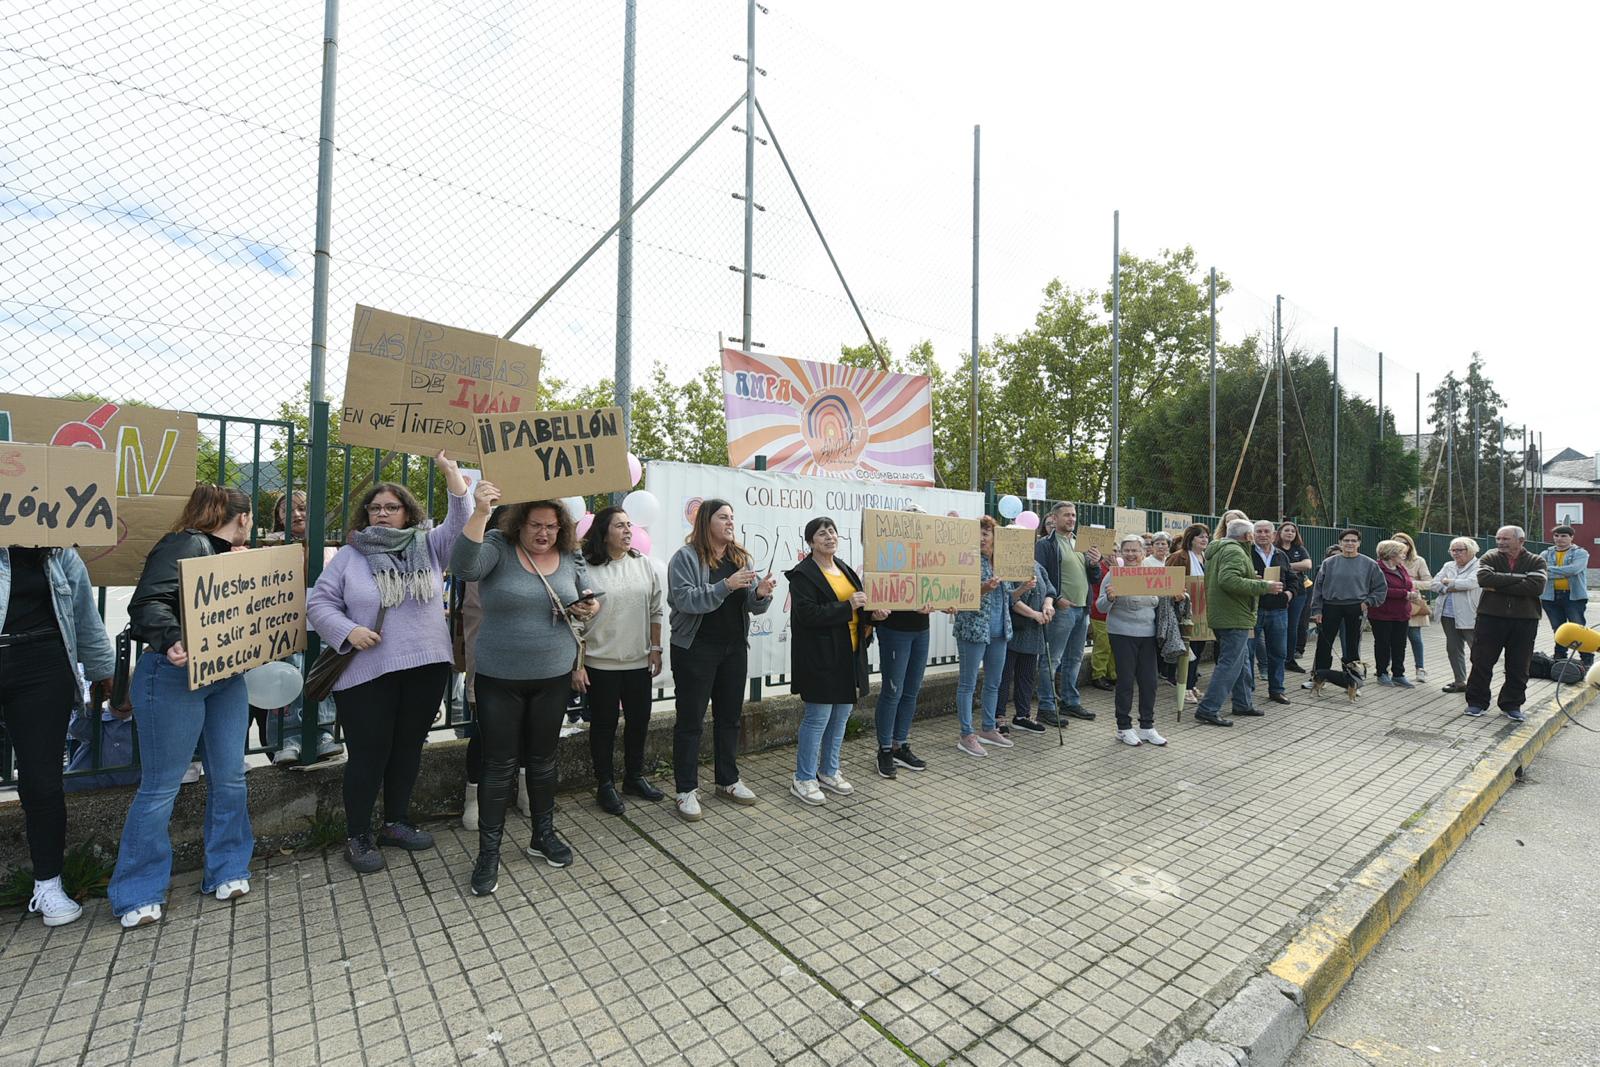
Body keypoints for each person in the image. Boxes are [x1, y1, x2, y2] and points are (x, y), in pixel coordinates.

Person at [307, 453, 472, 875]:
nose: (381, 513)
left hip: (425, 666)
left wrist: (452, 474)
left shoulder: (431, 546)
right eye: (375, 508)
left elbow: (461, 519)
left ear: (407, 512)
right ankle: (358, 834)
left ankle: (396, 822)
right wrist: (348, 632)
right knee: (368, 754)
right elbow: (319, 602)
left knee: (407, 750)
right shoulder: (350, 556)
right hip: (368, 673)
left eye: (390, 507)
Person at [110, 485, 257, 929]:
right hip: (176, 676)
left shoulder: (227, 552)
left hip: (225, 675)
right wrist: (172, 638)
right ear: (244, 517)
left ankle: (228, 869)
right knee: (161, 787)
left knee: (230, 777)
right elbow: (147, 603)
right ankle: (138, 890)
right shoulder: (186, 544)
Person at [450, 494, 599, 895]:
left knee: (543, 761)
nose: (544, 533)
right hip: (500, 677)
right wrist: (480, 511)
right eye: (536, 525)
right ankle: (488, 852)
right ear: (520, 524)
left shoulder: (569, 555)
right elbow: (462, 566)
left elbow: (588, 594)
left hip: (553, 676)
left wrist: (589, 607)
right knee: (498, 766)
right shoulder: (498, 547)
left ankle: (542, 835)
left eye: (551, 526)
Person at [0, 543, 114, 927]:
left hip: (43, 666)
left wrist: (105, 672)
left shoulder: (56, 550)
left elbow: (84, 614)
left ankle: (48, 883)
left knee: (43, 781)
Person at [666, 499, 775, 821]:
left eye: (732, 517)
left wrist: (761, 594)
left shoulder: (740, 557)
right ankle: (685, 789)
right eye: (723, 517)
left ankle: (727, 780)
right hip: (695, 649)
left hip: (733, 649)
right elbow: (684, 599)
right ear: (706, 523)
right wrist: (725, 585)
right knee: (690, 722)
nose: (730, 522)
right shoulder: (686, 557)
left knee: (730, 718)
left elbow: (753, 607)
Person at [786, 517, 877, 806]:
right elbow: (807, 614)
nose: (828, 536)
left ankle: (828, 770)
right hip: (820, 658)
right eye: (821, 533)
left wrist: (872, 616)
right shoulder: (803, 574)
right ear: (811, 541)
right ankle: (803, 777)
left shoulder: (846, 570)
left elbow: (859, 608)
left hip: (848, 655)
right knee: (818, 718)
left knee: (840, 717)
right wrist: (847, 606)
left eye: (832, 531)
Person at [580, 506, 666, 814]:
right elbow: (576, 618)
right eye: (620, 526)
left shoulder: (643, 565)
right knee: (603, 725)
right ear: (603, 533)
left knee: (639, 722)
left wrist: (655, 648)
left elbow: (656, 609)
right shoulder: (586, 568)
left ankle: (633, 776)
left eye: (630, 525)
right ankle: (604, 783)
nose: (628, 530)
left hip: (638, 661)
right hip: (600, 663)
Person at [261, 489, 340, 765]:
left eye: (303, 508)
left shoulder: (331, 544)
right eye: (288, 510)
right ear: (279, 518)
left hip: (321, 623)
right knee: (287, 679)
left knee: (321, 678)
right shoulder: (270, 545)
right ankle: (286, 740)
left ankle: (323, 735)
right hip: (283, 625)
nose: (296, 514)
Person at [1194, 518, 1281, 727]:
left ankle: (1242, 703)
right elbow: (1228, 580)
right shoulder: (1234, 550)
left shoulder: (1220, 548)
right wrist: (1264, 586)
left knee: (1241, 662)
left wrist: (1252, 578)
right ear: (1248, 535)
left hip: (1226, 613)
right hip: (1234, 615)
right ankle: (1208, 709)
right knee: (1230, 664)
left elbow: (1227, 577)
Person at [873, 505, 937, 779]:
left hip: (921, 630)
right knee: (893, 691)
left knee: (911, 690)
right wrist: (913, 606)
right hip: (895, 630)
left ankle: (900, 744)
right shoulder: (886, 556)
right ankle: (885, 749)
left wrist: (946, 603)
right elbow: (882, 592)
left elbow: (941, 588)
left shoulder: (930, 559)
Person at [1096, 534, 1176, 746]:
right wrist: (1111, 597)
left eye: (1135, 550)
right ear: (1121, 553)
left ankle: (1147, 726)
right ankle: (1123, 727)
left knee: (1149, 682)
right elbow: (1099, 606)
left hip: (1148, 634)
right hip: (1121, 633)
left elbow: (1164, 602)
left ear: (1143, 553)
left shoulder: (1153, 574)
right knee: (1125, 681)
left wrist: (1179, 595)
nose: (1131, 554)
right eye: (1127, 550)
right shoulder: (1115, 575)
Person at [953, 516, 1024, 756]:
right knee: (967, 684)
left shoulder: (1001, 563)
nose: (982, 538)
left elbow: (1007, 599)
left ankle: (988, 728)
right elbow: (959, 595)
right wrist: (984, 588)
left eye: (986, 533)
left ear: (994, 537)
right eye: (978, 533)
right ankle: (966, 734)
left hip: (999, 631)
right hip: (972, 630)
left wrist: (1024, 588)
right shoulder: (966, 560)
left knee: (994, 682)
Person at [1465, 526, 1547, 721]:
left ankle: (1512, 705)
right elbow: (1484, 579)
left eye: (1505, 539)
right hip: (1490, 618)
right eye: (1498, 538)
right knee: (1481, 661)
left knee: (1519, 665)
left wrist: (1500, 583)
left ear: (1521, 541)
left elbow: (1536, 587)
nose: (1500, 542)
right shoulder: (1490, 557)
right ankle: (1476, 703)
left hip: (1525, 620)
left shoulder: (1536, 560)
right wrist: (1520, 579)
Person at [1034, 501, 1103, 726]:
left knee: (1074, 659)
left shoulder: (1080, 543)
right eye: (1066, 515)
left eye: (1073, 515)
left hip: (1082, 609)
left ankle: (1070, 701)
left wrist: (1095, 563)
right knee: (1051, 660)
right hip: (1062, 610)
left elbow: (1094, 578)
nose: (1071, 519)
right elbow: (1040, 578)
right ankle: (1046, 706)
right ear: (1054, 518)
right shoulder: (1045, 544)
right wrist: (1056, 599)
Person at [1309, 530, 1386, 681]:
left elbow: (1381, 588)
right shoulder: (1329, 563)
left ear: (1359, 543)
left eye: (1353, 541)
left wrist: (1368, 602)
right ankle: (1319, 677)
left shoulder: (1369, 564)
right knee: (1324, 644)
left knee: (1352, 644)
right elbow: (1318, 588)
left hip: (1355, 607)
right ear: (1340, 543)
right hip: (1330, 606)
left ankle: (1352, 679)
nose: (1350, 543)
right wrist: (1317, 610)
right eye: (1346, 540)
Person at [1000, 555, 1055, 734]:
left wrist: (1047, 605)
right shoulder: (1006, 565)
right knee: (1004, 676)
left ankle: (1022, 715)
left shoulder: (1037, 565)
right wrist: (1034, 614)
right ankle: (998, 717)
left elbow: (1050, 590)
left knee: (1027, 674)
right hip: (1014, 629)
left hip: (1034, 631)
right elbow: (1010, 598)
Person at [1248, 520, 1294, 705]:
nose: (1263, 534)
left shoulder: (1281, 555)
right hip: (1254, 610)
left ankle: (1277, 690)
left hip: (1278, 611)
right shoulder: (1246, 554)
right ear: (1253, 534)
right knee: (1248, 653)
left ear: (1274, 535)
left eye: (1267, 531)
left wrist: (1290, 594)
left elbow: (1292, 578)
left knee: (1278, 652)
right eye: (1258, 531)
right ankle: (1247, 691)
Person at [1166, 523, 1211, 704]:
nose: (1204, 540)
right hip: (1183, 611)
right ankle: (1183, 686)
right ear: (1190, 538)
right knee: (1187, 651)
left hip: (1201, 611)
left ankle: (1191, 684)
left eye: (1207, 537)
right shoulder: (1179, 557)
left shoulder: (1206, 558)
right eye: (1201, 536)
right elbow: (1167, 580)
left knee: (1198, 650)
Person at [1433, 537, 1483, 693]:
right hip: (1448, 614)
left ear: (1471, 550)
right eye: (1453, 550)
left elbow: (1471, 583)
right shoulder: (1448, 565)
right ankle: (1460, 681)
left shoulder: (1479, 565)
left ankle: (1478, 683)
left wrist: (1448, 582)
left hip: (1470, 614)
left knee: (1477, 651)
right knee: (1453, 648)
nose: (1455, 553)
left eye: (1459, 550)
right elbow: (1434, 583)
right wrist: (1450, 586)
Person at [1541, 525, 1592, 669]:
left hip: (1573, 597)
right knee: (1558, 629)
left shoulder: (1581, 553)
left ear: (1571, 537)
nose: (1559, 539)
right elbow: (1540, 571)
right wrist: (1563, 572)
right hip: (1550, 597)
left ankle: (1587, 659)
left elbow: (1574, 570)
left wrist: (1549, 569)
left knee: (1578, 629)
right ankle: (1559, 657)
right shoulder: (1545, 553)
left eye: (1563, 536)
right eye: (1556, 536)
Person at [1370, 540, 1418, 687]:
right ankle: (1382, 673)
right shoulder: (1376, 568)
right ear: (1391, 554)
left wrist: (1414, 592)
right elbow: (1380, 589)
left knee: (1399, 644)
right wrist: (1405, 594)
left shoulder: (1400, 568)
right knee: (1383, 644)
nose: (1404, 556)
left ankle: (1398, 674)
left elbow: (1409, 584)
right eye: (1401, 553)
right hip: (1382, 613)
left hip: (1402, 613)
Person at [1392, 532, 1433, 682]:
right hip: (1394, 602)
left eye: (1404, 543)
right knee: (1393, 637)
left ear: (1410, 545)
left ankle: (1420, 668)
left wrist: (1409, 583)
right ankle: (1390, 667)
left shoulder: (1418, 561)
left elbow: (1430, 582)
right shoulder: (1388, 561)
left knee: (1415, 637)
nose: (1401, 546)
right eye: (1396, 542)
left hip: (1413, 604)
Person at [1276, 522, 1313, 672]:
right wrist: (1296, 566)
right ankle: (1276, 658)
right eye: (1287, 530)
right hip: (1278, 591)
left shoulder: (1299, 549)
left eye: (1293, 531)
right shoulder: (1275, 548)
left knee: (1293, 626)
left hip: (1299, 592)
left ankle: (1290, 660)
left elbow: (1308, 565)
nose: (1290, 533)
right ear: (1280, 532)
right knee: (1278, 627)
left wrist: (1286, 565)